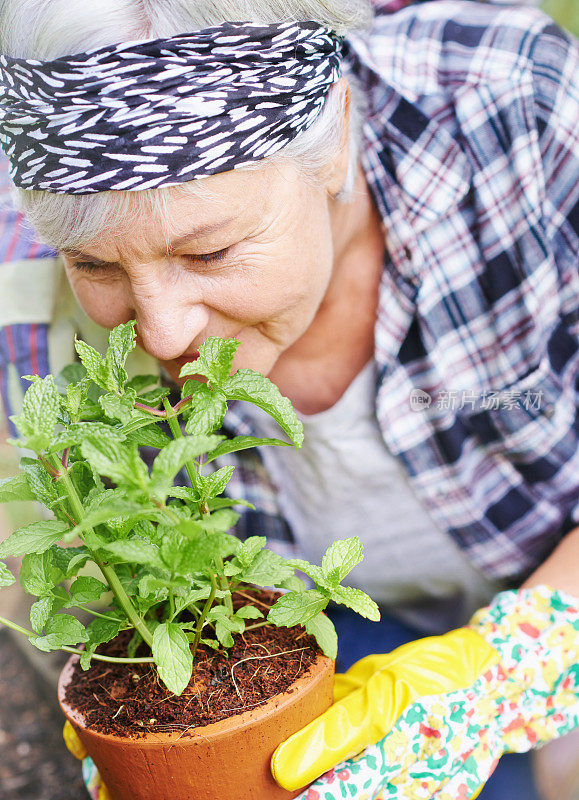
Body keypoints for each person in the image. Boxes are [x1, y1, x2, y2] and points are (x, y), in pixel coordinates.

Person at [0, 0, 577, 798]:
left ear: (335, 135)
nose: (162, 335)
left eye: (208, 250)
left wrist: (515, 667)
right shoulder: (29, 293)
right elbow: (117, 592)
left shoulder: (518, 110)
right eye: (96, 267)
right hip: (312, 643)